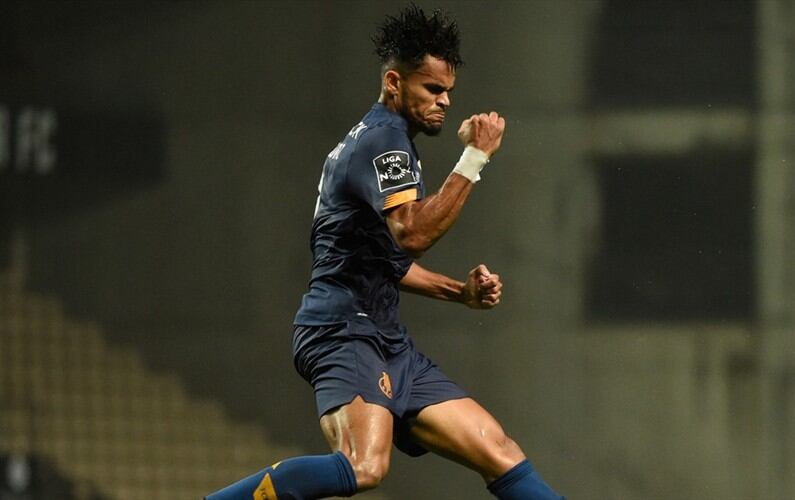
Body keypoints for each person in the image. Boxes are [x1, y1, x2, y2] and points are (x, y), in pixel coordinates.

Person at [206, 5, 563, 499]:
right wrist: (475, 156)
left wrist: (461, 293)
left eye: (448, 93)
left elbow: (387, 261)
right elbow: (411, 234)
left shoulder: (387, 141)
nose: (444, 103)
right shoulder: (384, 141)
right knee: (365, 466)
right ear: (394, 82)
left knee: (499, 450)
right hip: (341, 330)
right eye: (432, 90)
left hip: (386, 339)